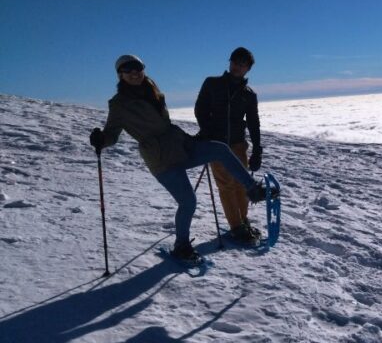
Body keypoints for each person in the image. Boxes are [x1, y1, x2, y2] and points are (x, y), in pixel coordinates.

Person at [89, 54, 268, 262]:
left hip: (180, 145)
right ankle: (181, 246)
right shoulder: (119, 104)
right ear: (120, 75)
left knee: (219, 149)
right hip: (160, 157)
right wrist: (101, 140)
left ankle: (253, 189)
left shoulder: (152, 89)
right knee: (188, 202)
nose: (134, 73)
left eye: (137, 68)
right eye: (128, 70)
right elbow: (111, 134)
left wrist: (256, 149)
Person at [194, 47, 263, 245]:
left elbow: (253, 123)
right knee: (227, 185)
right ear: (230, 62)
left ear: (248, 69)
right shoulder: (212, 83)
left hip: (238, 144)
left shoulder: (249, 94)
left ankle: (242, 220)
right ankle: (236, 227)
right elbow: (200, 109)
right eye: (235, 62)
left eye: (242, 64)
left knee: (242, 184)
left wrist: (257, 150)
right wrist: (207, 132)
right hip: (216, 144)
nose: (237, 67)